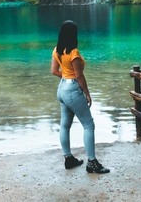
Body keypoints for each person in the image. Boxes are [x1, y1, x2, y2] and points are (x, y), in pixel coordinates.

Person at [51, 20, 110, 174]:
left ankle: (68, 158)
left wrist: (66, 78)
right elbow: (79, 76)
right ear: (73, 35)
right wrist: (87, 93)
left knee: (65, 125)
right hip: (72, 90)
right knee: (89, 125)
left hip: (62, 89)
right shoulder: (74, 53)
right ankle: (92, 162)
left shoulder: (57, 50)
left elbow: (54, 71)